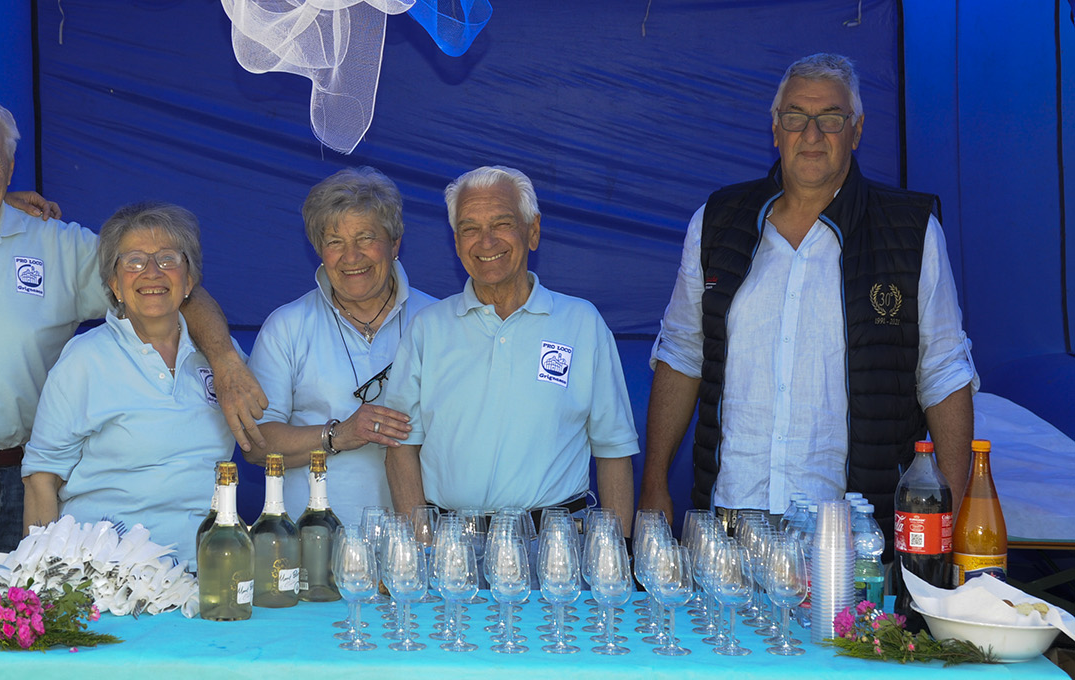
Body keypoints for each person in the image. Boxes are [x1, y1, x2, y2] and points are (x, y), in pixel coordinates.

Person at [0, 94, 265, 554]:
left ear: (10, 165)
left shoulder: (59, 245)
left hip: (29, 480)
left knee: (29, 623)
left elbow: (169, 285)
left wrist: (224, 360)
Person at [638, 53, 977, 530]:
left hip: (854, 534)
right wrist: (654, 485)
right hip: (730, 524)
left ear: (856, 131)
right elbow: (681, 355)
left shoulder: (912, 231)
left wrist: (955, 514)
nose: (811, 134)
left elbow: (944, 374)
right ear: (775, 129)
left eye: (831, 118)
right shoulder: (717, 221)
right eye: (796, 116)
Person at [382, 166, 640, 531]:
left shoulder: (581, 322)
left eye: (502, 224)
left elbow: (613, 450)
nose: (486, 242)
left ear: (533, 231)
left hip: (556, 550)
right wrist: (422, 545)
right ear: (456, 243)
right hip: (453, 550)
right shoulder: (427, 329)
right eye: (470, 228)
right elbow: (399, 447)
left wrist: (616, 553)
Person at [21, 202, 237, 567]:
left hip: (206, 570)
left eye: (168, 259)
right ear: (114, 284)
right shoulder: (83, 360)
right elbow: (41, 478)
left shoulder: (224, 362)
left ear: (190, 279)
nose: (151, 273)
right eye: (133, 261)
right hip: (106, 573)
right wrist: (43, 579)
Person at [245, 167, 436, 520]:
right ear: (319, 250)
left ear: (395, 243)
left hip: (416, 549)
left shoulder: (438, 320)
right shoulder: (286, 326)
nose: (351, 257)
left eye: (365, 238)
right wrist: (338, 435)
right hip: (312, 545)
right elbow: (257, 445)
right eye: (335, 242)